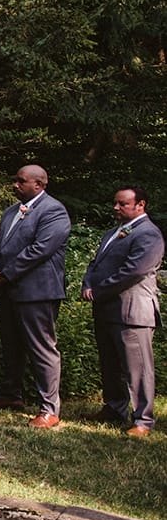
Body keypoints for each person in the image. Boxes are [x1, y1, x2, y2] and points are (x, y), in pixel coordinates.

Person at [0, 164, 70, 428]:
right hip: (7, 290)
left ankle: (49, 408)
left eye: (21, 181)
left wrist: (8, 273)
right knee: (11, 345)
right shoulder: (11, 211)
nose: (15, 185)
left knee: (41, 348)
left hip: (37, 292)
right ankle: (11, 395)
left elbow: (40, 249)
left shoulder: (54, 211)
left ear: (39, 184)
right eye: (16, 179)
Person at [81, 187, 163, 438]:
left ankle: (143, 420)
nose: (116, 208)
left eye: (123, 204)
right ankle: (115, 408)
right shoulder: (112, 232)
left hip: (132, 310)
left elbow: (134, 271)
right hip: (107, 309)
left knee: (137, 368)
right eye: (115, 203)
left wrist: (99, 290)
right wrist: (87, 283)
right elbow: (96, 263)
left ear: (141, 205)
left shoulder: (149, 234)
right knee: (110, 363)